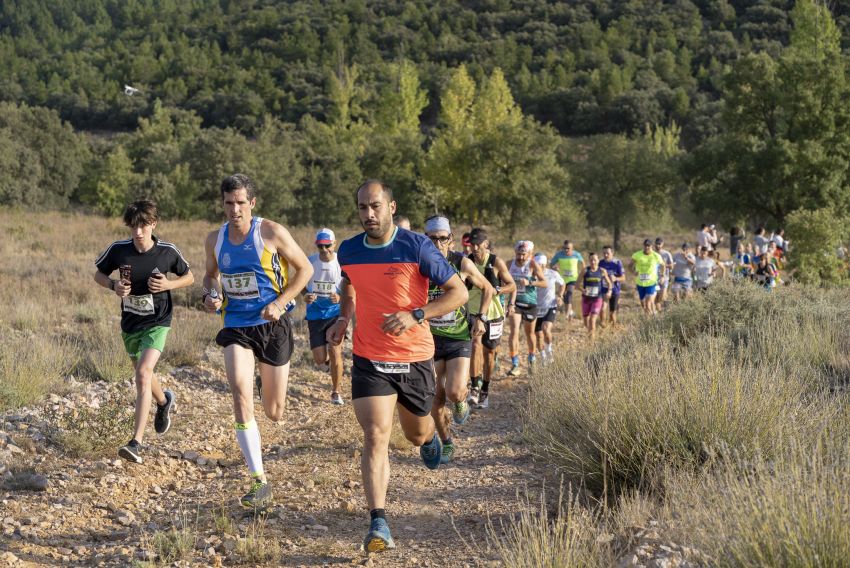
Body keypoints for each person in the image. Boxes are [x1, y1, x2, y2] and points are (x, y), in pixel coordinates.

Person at [325, 181, 468, 553]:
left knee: (416, 434)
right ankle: (378, 522)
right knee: (375, 434)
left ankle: (431, 436)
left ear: (391, 206)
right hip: (370, 358)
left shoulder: (416, 246)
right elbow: (350, 286)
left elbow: (459, 293)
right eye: (362, 208)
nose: (368, 214)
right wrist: (344, 317)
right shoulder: (350, 250)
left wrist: (415, 314)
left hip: (414, 358)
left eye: (375, 206)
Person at [202, 174, 313, 508]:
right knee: (238, 389)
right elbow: (210, 275)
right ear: (222, 204)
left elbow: (305, 269)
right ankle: (259, 480)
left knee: (274, 411)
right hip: (236, 322)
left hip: (272, 323)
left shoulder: (271, 232)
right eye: (228, 203)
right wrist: (211, 294)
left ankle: (269, 389)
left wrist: (280, 303)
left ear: (252, 203)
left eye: (240, 203)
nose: (234, 210)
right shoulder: (215, 239)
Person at [94, 200, 194, 464]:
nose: (138, 232)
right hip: (130, 324)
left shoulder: (167, 252)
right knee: (144, 374)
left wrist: (168, 284)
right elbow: (99, 275)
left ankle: (135, 443)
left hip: (158, 321)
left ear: (153, 224)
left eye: (143, 226)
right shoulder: (118, 250)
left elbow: (191, 277)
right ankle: (163, 402)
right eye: (133, 227)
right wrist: (113, 285)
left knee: (142, 373)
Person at [423, 216, 495, 462]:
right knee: (435, 399)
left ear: (450, 239)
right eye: (432, 239)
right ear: (425, 240)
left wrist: (481, 318)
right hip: (429, 340)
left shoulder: (461, 262)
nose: (438, 243)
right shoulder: (418, 266)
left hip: (458, 338)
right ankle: (447, 441)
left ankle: (461, 401)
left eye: (443, 238)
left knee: (453, 392)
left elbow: (488, 288)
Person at [466, 228, 515, 409]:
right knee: (475, 345)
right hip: (473, 311)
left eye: (478, 244)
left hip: (494, 314)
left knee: (490, 353)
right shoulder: (467, 262)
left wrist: (498, 290)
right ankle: (474, 387)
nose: (474, 247)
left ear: (486, 244)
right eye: (472, 244)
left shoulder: (496, 262)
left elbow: (512, 285)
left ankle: (485, 388)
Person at [303, 228, 345, 405]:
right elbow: (299, 284)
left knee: (335, 350)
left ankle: (336, 392)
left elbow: (353, 288)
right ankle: (330, 366)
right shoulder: (309, 262)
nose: (325, 249)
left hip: (335, 314)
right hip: (315, 314)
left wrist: (340, 298)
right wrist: (305, 295)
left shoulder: (341, 264)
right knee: (320, 359)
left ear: (334, 244)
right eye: (321, 246)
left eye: (328, 245)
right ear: (317, 246)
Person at [507, 241, 547, 376]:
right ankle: (515, 364)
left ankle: (532, 359)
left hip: (530, 304)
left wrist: (530, 282)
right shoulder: (509, 264)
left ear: (529, 254)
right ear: (515, 253)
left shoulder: (532, 264)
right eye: (519, 254)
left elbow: (544, 283)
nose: (521, 257)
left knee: (530, 334)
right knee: (514, 333)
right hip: (515, 303)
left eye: (524, 254)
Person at [533, 253, 564, 365]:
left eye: (541, 264)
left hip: (550, 305)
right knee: (538, 335)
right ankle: (543, 356)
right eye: (537, 264)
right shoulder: (531, 274)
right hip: (535, 308)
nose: (539, 267)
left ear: (545, 264)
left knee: (546, 329)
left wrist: (560, 296)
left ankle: (549, 350)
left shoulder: (552, 273)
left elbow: (562, 284)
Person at [578, 253, 612, 341]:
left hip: (597, 298)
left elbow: (609, 283)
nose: (593, 262)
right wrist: (582, 290)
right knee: (586, 322)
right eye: (591, 260)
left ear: (598, 260)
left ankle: (591, 343)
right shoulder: (585, 270)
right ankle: (590, 332)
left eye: (595, 260)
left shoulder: (602, 271)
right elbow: (577, 284)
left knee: (592, 320)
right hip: (586, 298)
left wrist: (609, 291)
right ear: (589, 261)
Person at [550, 240, 584, 319]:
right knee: (564, 297)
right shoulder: (559, 255)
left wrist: (583, 274)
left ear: (572, 248)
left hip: (573, 279)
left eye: (568, 248)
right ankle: (570, 312)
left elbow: (582, 262)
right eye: (564, 248)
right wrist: (554, 267)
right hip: (562, 280)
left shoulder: (576, 254)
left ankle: (567, 315)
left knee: (569, 294)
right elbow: (551, 264)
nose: (566, 250)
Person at [629, 239, 664, 316]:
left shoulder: (656, 256)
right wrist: (633, 272)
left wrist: (662, 276)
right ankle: (653, 314)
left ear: (651, 246)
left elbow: (663, 265)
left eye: (648, 246)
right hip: (640, 283)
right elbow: (629, 266)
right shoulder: (637, 255)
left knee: (648, 303)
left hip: (652, 282)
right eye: (645, 246)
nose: (647, 247)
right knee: (643, 304)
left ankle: (650, 322)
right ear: (643, 246)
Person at [598, 246, 625, 327]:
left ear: (612, 253)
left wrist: (616, 278)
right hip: (604, 290)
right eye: (604, 253)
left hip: (615, 290)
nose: (605, 255)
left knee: (612, 313)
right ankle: (603, 326)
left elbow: (623, 278)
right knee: (602, 309)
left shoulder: (617, 263)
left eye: (607, 253)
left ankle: (613, 328)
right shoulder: (600, 263)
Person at [653, 237, 674, 311]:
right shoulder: (652, 253)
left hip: (665, 278)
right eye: (657, 244)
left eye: (659, 244)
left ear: (662, 244)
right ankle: (661, 312)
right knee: (656, 297)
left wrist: (664, 266)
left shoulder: (666, 254)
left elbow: (671, 265)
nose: (658, 245)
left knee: (663, 295)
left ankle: (667, 309)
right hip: (655, 279)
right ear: (654, 244)